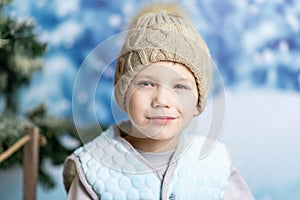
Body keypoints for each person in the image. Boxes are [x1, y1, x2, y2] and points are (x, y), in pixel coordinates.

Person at [63, 3, 254, 200]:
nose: (162, 100)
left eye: (180, 87)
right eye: (146, 84)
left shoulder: (215, 164)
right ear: (124, 93)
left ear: (198, 102)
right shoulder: (94, 169)